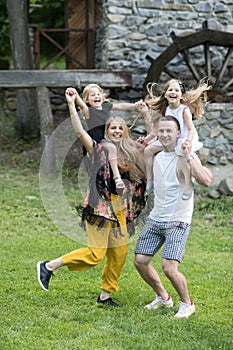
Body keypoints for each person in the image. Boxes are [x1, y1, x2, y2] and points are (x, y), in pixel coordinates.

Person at [37, 87, 147, 307]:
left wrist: (145, 113)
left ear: (124, 131)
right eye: (112, 128)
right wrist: (71, 104)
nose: (116, 131)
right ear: (105, 130)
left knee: (120, 252)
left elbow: (151, 142)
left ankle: (105, 295)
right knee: (95, 254)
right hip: (100, 205)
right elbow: (79, 130)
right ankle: (49, 266)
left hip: (119, 207)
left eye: (119, 128)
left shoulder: (127, 151)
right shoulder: (96, 148)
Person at [134, 115, 212, 318]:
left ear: (178, 133)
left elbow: (206, 180)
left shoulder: (186, 153)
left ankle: (187, 304)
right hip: (156, 217)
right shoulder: (156, 154)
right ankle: (163, 298)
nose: (165, 134)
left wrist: (188, 157)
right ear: (157, 133)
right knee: (140, 260)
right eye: (161, 131)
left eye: (169, 131)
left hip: (178, 220)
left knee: (169, 268)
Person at [143, 78, 211, 199]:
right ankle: (150, 180)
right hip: (169, 140)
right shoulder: (165, 110)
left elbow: (191, 129)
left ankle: (188, 184)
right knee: (148, 151)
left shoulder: (183, 110)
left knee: (181, 153)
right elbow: (156, 130)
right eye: (170, 90)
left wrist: (188, 141)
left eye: (176, 90)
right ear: (165, 94)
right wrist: (146, 140)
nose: (173, 92)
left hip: (183, 138)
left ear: (181, 95)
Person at [74, 83, 147, 189]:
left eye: (98, 94)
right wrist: (75, 95)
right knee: (112, 148)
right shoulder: (89, 111)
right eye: (92, 95)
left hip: (107, 136)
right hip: (97, 139)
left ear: (102, 96)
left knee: (128, 145)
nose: (96, 97)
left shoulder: (106, 105)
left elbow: (120, 106)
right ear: (87, 99)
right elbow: (81, 105)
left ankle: (138, 174)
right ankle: (117, 177)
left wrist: (135, 106)